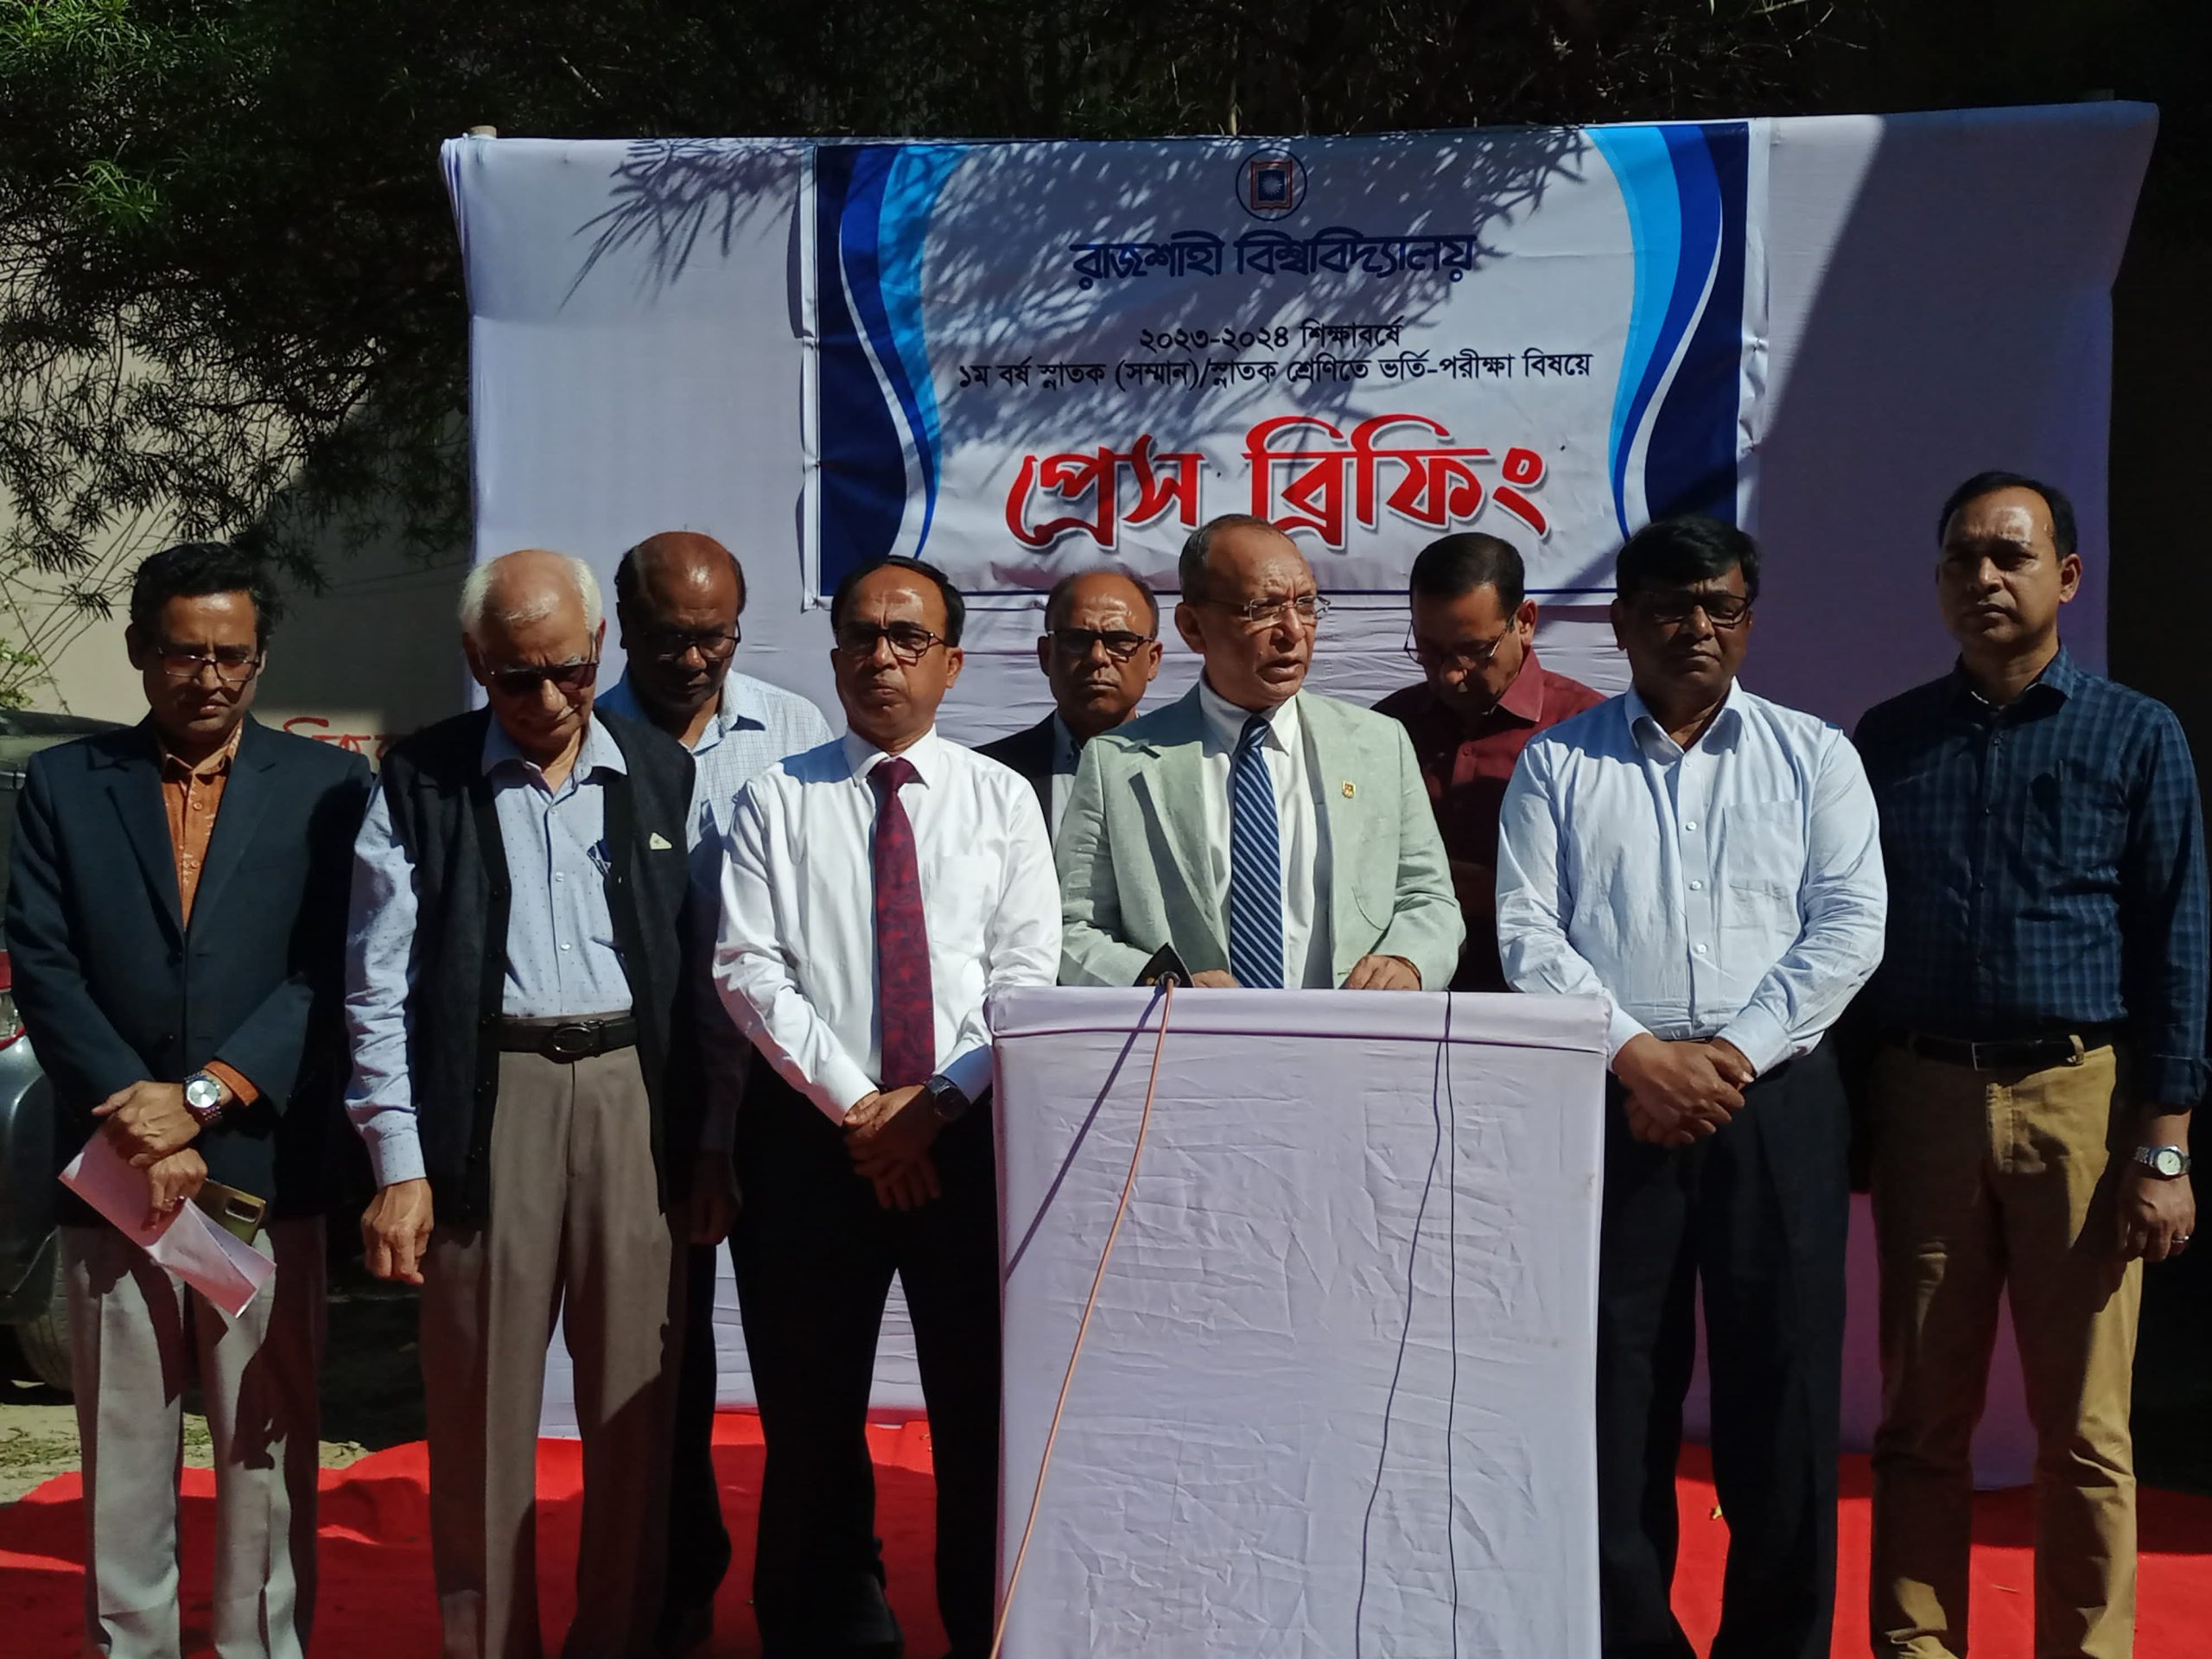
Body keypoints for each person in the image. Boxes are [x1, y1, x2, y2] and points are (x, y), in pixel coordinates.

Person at [1495, 515, 1886, 1659]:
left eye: (1721, 606)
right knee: (1616, 1391)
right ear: (1622, 623)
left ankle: (1777, 1643)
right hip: (1614, 1102)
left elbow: (1848, 927)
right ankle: (1630, 1640)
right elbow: (1529, 935)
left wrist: (1733, 1055)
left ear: (1749, 620)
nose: (1697, 628)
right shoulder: (1559, 765)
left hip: (1775, 1100)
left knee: (1787, 1388)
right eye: (1671, 607)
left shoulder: (1814, 757)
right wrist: (1640, 1056)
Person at [1853, 473, 2205, 1659]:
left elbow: (2179, 943)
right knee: (1918, 1421)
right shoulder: (1890, 740)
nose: (1984, 578)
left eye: (2010, 555)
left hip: (2082, 1105)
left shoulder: (2136, 734)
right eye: (1962, 557)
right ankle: (1915, 1645)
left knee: (2087, 1434)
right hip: (1925, 1098)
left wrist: (2165, 1146)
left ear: (2068, 575)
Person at [5, 542, 370, 1659]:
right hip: (115, 1172)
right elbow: (45, 965)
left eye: (233, 655)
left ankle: (263, 1644)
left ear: (259, 659)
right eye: (184, 653)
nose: (210, 677)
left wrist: (204, 1100)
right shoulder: (65, 786)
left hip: (260, 1169)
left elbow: (332, 967)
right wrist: (140, 1115)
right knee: (123, 1444)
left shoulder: (328, 788)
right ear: (138, 651)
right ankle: (133, 1645)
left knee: (265, 1437)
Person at [346, 548, 703, 1659]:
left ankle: (619, 1639)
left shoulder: (661, 772)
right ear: (474, 659)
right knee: (481, 1415)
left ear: (598, 649)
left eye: (569, 672)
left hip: (630, 1104)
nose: (547, 700)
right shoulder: (421, 781)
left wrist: (707, 1144)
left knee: (636, 1412)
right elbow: (376, 987)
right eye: (516, 677)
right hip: (486, 1106)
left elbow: (702, 974)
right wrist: (401, 1163)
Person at [714, 553, 1059, 1659]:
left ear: (951, 663)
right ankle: (832, 1631)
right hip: (818, 1147)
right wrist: (867, 1110)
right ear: (833, 660)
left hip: (969, 1143)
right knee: (810, 1415)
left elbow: (1025, 978)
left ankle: (985, 1626)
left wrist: (938, 1103)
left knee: (980, 1415)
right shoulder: (778, 797)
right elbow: (748, 970)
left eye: (908, 637)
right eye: (861, 635)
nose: (881, 656)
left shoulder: (1001, 800)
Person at [594, 530, 834, 1652]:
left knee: (803, 1365)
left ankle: (819, 1597)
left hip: (782, 1095)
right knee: (664, 1369)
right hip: (647, 1095)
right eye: (670, 638)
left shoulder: (795, 733)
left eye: (718, 637)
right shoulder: (584, 738)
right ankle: (675, 1590)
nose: (695, 660)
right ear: (624, 627)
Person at [1058, 513, 1462, 991]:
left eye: (1306, 604)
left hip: (1350, 1031)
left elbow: (1429, 898)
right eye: (1263, 609)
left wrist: (1407, 960)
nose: (1292, 631)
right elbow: (1072, 928)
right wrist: (1157, 983)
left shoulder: (1378, 744)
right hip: (1187, 1035)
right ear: (1192, 627)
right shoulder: (1117, 763)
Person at [1375, 531, 1605, 990]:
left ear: (1526, 621)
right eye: (1429, 651)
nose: (1450, 674)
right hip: (1405, 1003)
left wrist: (1495, 892)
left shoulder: (1590, 735)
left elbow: (1619, 896)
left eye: (1475, 651)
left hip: (1551, 1001)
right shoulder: (1383, 730)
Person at [977, 565, 1164, 836]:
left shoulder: (1196, 771)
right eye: (1076, 640)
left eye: (1119, 641)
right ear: (1046, 655)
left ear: (1153, 660)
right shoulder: (986, 775)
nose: (1097, 657)